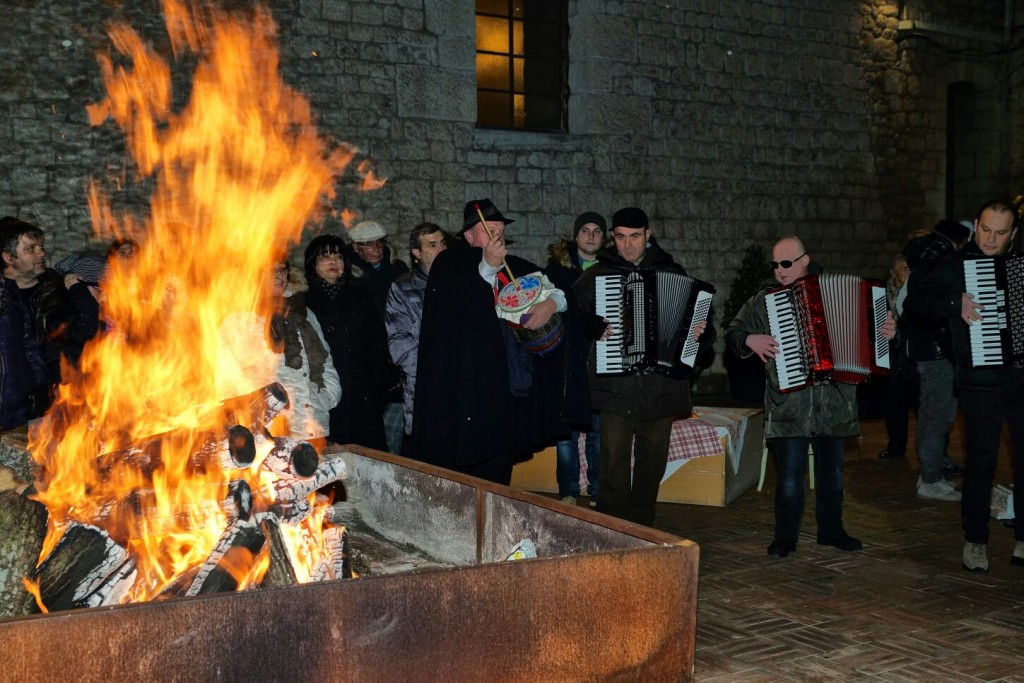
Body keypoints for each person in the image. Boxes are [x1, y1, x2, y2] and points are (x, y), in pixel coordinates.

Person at [725, 236, 896, 557]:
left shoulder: (844, 292)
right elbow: (733, 332)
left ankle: (831, 532)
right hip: (789, 405)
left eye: (786, 263)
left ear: (805, 260)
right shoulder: (765, 299)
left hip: (834, 403)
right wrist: (751, 339)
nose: (780, 271)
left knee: (832, 475)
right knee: (789, 478)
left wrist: (889, 334)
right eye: (774, 265)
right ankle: (785, 537)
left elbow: (876, 341)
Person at [410, 198, 567, 484]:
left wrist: (550, 305)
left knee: (496, 467)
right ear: (469, 236)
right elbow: (461, 308)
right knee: (464, 471)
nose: (498, 234)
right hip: (463, 388)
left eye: (500, 229)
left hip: (502, 384)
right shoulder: (450, 263)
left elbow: (555, 289)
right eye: (489, 228)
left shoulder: (514, 265)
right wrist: (488, 267)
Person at [574, 207, 715, 526]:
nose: (627, 245)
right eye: (621, 237)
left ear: (648, 236)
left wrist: (700, 335)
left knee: (652, 463)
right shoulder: (600, 274)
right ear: (613, 237)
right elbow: (574, 314)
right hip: (616, 387)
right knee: (613, 463)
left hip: (661, 386)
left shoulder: (674, 272)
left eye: (635, 237)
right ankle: (611, 527)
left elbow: (703, 328)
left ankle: (642, 524)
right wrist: (591, 324)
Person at [904, 199, 1024, 572]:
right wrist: (954, 302)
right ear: (975, 225)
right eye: (985, 229)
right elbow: (915, 304)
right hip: (979, 381)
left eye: (1000, 233)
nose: (990, 239)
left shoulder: (1019, 267)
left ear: (1013, 234)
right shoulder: (956, 265)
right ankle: (975, 540)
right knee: (981, 464)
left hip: (1020, 379)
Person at [219, 260, 341, 448]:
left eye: (282, 270)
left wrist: (326, 398)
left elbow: (326, 363)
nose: (278, 275)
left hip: (312, 424)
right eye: (270, 270)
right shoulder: (240, 319)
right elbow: (226, 380)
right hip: (268, 432)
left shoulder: (304, 313)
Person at [899, 219, 972, 501]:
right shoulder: (940, 261)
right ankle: (930, 478)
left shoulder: (924, 259)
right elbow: (917, 307)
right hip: (937, 351)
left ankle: (932, 473)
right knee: (936, 415)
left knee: (934, 414)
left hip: (927, 350)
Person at [304, 234, 391, 452]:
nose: (334, 262)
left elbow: (377, 339)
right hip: (327, 392)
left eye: (338, 256)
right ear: (313, 264)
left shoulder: (359, 294)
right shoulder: (304, 302)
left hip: (362, 389)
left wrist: (376, 379)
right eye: (325, 257)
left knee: (368, 454)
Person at [546, 211, 606, 505]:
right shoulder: (557, 270)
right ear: (576, 235)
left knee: (597, 429)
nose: (591, 235)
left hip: (598, 355)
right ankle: (568, 490)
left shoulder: (611, 269)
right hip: (567, 356)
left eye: (597, 231)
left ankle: (597, 490)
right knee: (566, 432)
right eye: (586, 230)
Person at [345, 220, 408, 455]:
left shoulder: (398, 270)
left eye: (379, 243)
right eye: (368, 245)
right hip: (364, 364)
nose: (376, 249)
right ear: (356, 248)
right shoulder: (348, 275)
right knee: (367, 435)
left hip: (394, 361)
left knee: (392, 436)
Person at [385, 222, 447, 452]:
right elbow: (399, 342)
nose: (441, 249)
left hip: (459, 386)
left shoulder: (459, 282)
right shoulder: (402, 288)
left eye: (443, 243)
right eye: (432, 245)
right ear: (417, 253)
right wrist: (432, 370)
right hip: (424, 386)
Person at [0, 216, 63, 417]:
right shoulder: (3, 298)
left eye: (41, 247)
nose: (41, 253)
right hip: (8, 407)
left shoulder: (56, 289)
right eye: (30, 249)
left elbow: (64, 341)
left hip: (46, 402)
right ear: (8, 258)